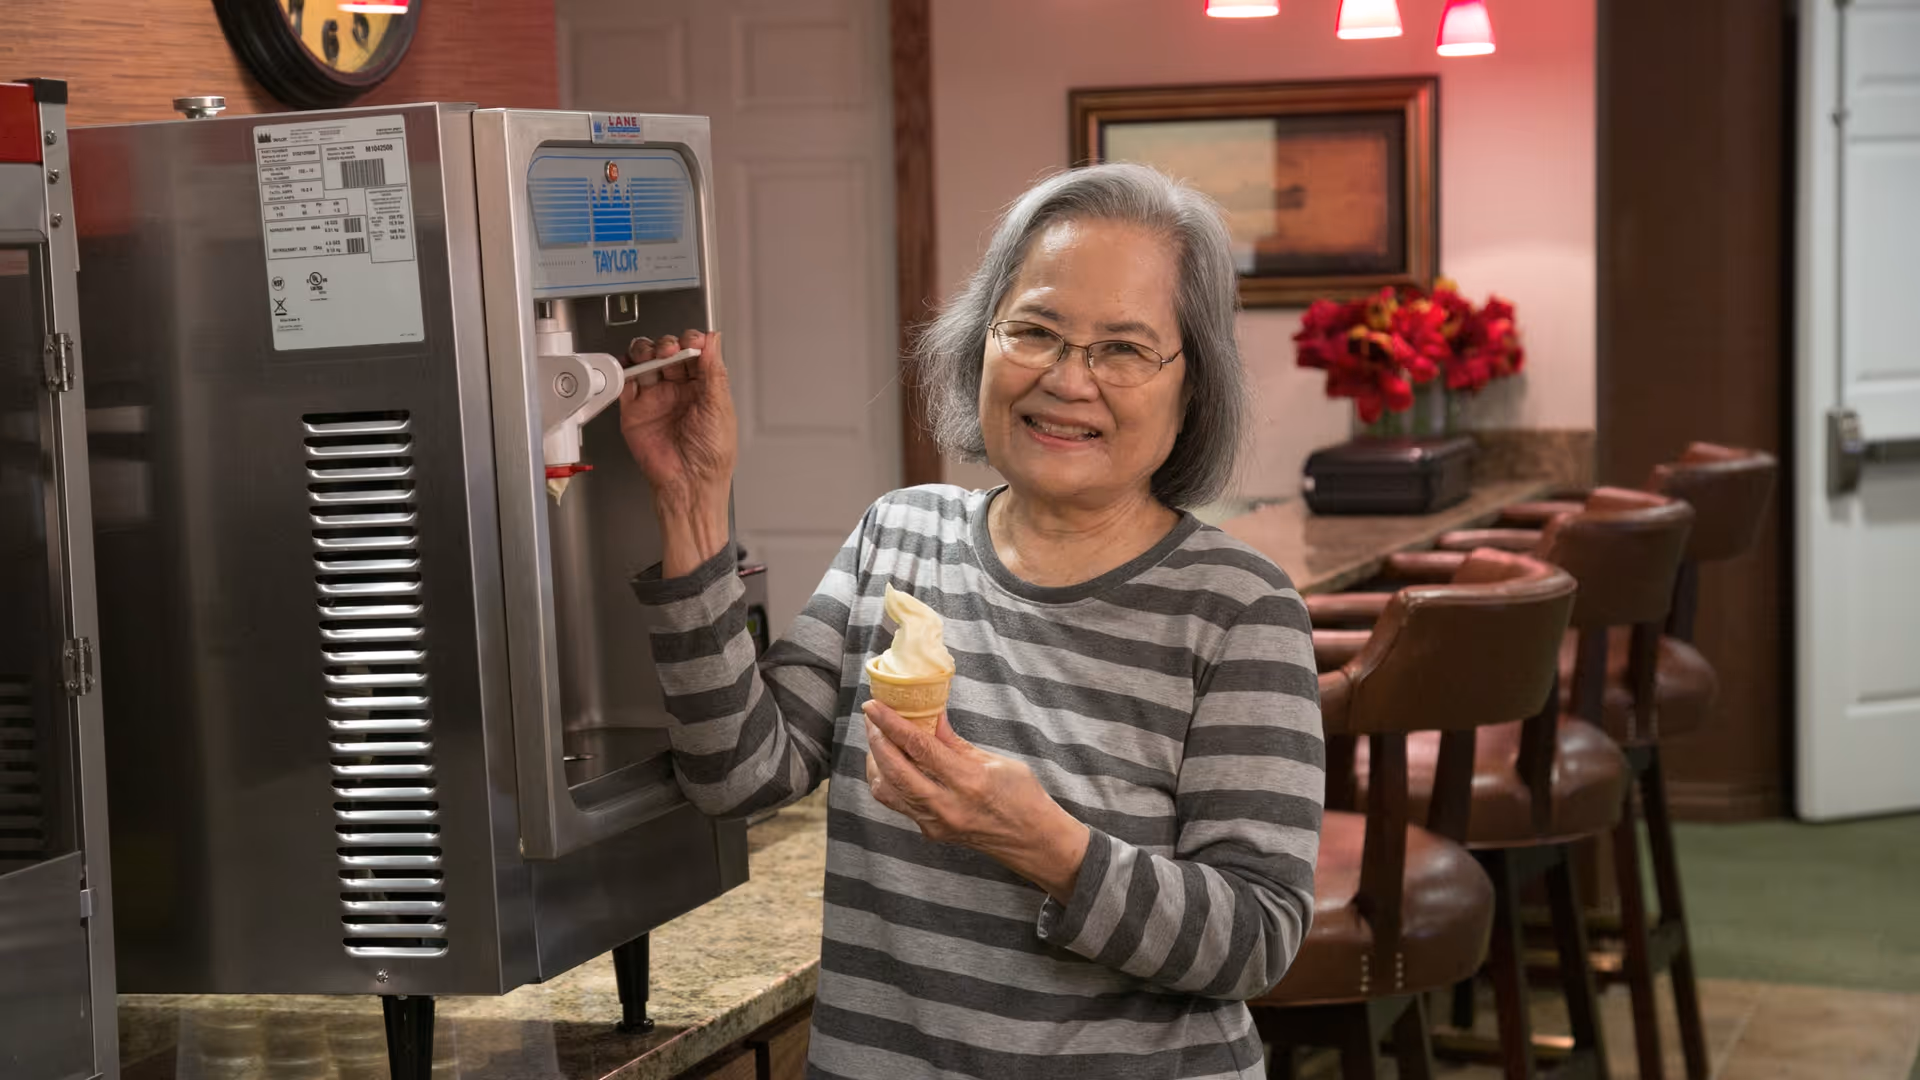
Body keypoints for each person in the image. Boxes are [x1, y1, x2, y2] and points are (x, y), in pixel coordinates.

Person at [622, 163, 1322, 1079]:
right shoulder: (898, 535)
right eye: (1034, 330)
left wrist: (1047, 845)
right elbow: (738, 775)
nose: (1069, 380)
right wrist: (692, 500)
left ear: (1194, 387)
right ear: (978, 344)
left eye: (1123, 349)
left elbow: (1256, 940)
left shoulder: (1239, 609)